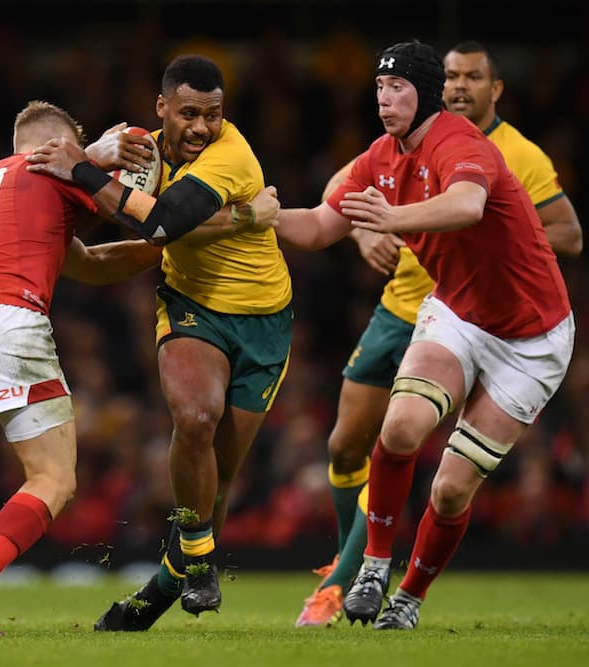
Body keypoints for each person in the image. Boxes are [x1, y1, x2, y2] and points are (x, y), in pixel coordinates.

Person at [0, 99, 278, 636]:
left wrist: (161, 252)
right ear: (57, 144)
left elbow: (91, 262)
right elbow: (147, 219)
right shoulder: (55, 165)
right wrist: (237, 217)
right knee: (53, 477)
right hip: (6, 318)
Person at [274, 40, 574, 630]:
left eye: (399, 88)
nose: (385, 101)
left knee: (451, 492)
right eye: (380, 89)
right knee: (402, 424)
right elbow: (316, 228)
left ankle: (409, 598)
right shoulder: (379, 157)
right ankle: (373, 566)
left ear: (427, 93)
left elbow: (465, 205)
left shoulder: (463, 143)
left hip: (532, 338)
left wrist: (390, 218)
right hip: (458, 310)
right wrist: (254, 214)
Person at [32, 53, 291, 631]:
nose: (202, 127)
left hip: (265, 322)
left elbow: (162, 223)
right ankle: (199, 555)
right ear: (162, 109)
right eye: (190, 114)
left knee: (215, 484)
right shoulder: (136, 150)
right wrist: (85, 172)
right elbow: (119, 220)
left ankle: (149, 601)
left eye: (214, 115)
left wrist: (83, 170)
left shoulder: (232, 155)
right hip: (192, 307)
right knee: (196, 417)